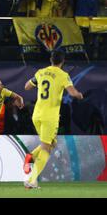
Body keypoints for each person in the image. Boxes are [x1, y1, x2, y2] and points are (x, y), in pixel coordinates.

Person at [23, 51, 84, 189]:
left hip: (37, 115)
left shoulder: (41, 72)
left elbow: (26, 87)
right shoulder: (63, 75)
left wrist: (39, 83)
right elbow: (73, 93)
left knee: (51, 144)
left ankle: (30, 156)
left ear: (51, 60)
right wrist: (80, 95)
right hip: (50, 117)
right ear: (63, 62)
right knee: (46, 148)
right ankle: (32, 180)